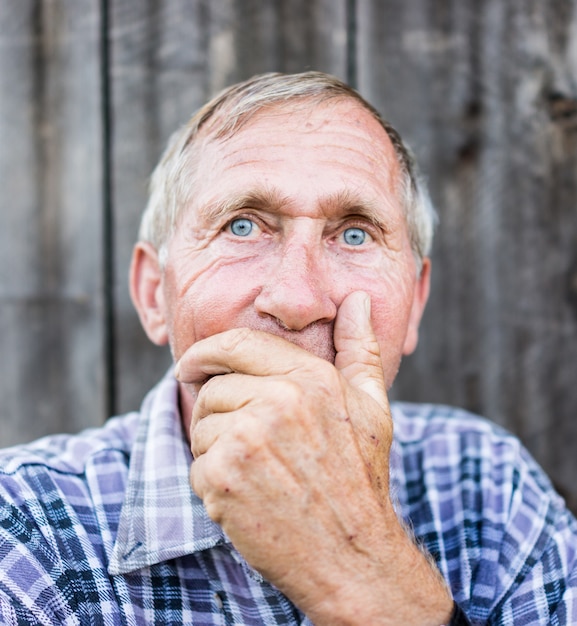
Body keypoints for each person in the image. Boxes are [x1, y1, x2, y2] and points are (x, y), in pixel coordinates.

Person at [0, 72, 575, 626]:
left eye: (354, 234)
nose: (297, 300)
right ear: (155, 294)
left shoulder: (488, 486)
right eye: (243, 226)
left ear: (415, 304)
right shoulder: (25, 523)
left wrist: (368, 573)